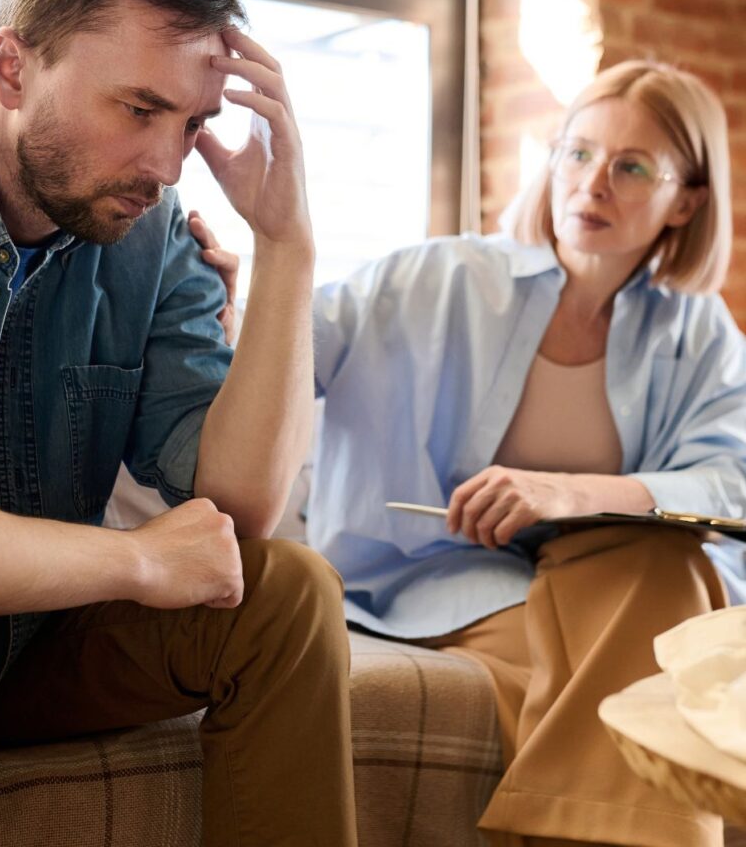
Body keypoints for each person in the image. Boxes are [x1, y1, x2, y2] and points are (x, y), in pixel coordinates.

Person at [0, 0, 357, 847]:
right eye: (139, 108)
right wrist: (131, 558)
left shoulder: (149, 239)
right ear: (13, 67)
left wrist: (287, 243)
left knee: (286, 591)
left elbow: (236, 512)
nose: (167, 164)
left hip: (32, 646)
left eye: (193, 122)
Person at [195, 60, 746, 847]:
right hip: (433, 579)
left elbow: (733, 479)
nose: (593, 185)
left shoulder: (697, 334)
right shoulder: (439, 277)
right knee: (653, 655)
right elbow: (294, 350)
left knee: (665, 565)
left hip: (607, 576)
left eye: (632, 167)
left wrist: (576, 493)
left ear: (687, 198)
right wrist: (228, 308)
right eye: (578, 153)